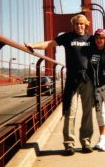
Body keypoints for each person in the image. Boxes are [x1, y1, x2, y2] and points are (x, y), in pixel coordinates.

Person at [25, 14, 95, 155]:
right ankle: (69, 143)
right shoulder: (67, 37)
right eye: (76, 24)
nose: (79, 26)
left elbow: (104, 46)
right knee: (70, 111)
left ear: (85, 25)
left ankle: (86, 141)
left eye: (81, 24)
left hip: (88, 79)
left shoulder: (91, 39)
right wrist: (34, 46)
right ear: (73, 26)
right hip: (72, 80)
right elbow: (49, 44)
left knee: (87, 111)